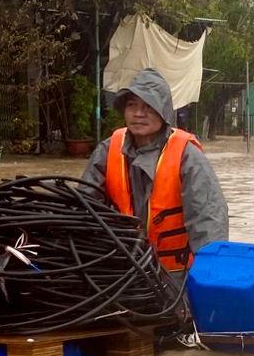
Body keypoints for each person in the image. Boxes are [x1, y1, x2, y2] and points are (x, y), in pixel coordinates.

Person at [82, 68, 228, 274]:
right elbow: (84, 207)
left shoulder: (187, 156)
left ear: (163, 112)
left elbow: (208, 220)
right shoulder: (107, 150)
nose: (138, 114)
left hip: (175, 275)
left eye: (148, 106)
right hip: (122, 270)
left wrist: (211, 275)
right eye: (132, 105)